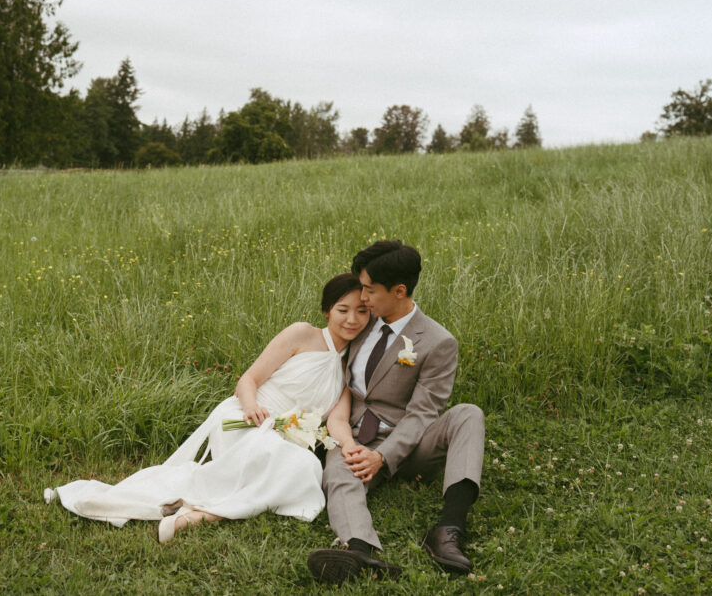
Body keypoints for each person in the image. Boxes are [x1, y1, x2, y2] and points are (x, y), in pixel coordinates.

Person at [45, 273, 369, 542]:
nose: (352, 319)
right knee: (289, 464)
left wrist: (351, 445)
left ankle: (202, 514)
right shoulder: (302, 334)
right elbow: (248, 379)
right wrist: (252, 407)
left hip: (281, 437)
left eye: (361, 312)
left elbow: (339, 419)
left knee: (306, 467)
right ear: (328, 311)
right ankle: (201, 504)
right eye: (343, 309)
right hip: (244, 418)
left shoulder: (350, 369)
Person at [307, 240, 486, 584]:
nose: (362, 298)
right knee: (341, 469)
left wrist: (384, 456)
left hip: (412, 441)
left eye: (369, 290)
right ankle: (359, 549)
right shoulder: (359, 323)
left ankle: (449, 529)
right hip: (357, 435)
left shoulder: (437, 341)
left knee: (469, 414)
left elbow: (423, 412)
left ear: (399, 290)